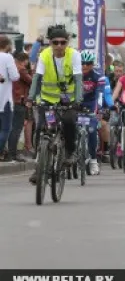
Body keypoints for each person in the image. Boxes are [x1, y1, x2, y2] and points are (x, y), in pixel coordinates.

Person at [27, 25, 83, 184]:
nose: (59, 46)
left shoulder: (74, 55)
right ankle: (39, 166)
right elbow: (37, 78)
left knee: (69, 122)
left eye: (62, 42)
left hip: (69, 101)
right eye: (55, 42)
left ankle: (70, 153)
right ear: (50, 43)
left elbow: (78, 80)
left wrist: (78, 100)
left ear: (67, 42)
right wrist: (31, 98)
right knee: (41, 129)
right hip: (47, 99)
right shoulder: (44, 55)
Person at [78, 50, 114, 174]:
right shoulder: (73, 74)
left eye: (88, 64)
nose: (84, 66)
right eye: (82, 63)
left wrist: (98, 110)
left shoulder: (99, 77)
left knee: (92, 130)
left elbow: (100, 94)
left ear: (92, 64)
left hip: (91, 104)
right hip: (77, 103)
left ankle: (93, 160)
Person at [8, 51, 32, 162]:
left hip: (10, 100)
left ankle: (10, 152)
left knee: (10, 128)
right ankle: (13, 154)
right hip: (19, 101)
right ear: (24, 60)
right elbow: (31, 81)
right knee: (16, 128)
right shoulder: (21, 70)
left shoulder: (10, 68)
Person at [0, 35, 20, 162]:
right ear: (7, 45)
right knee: (6, 128)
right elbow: (15, 76)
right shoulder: (7, 57)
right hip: (4, 99)